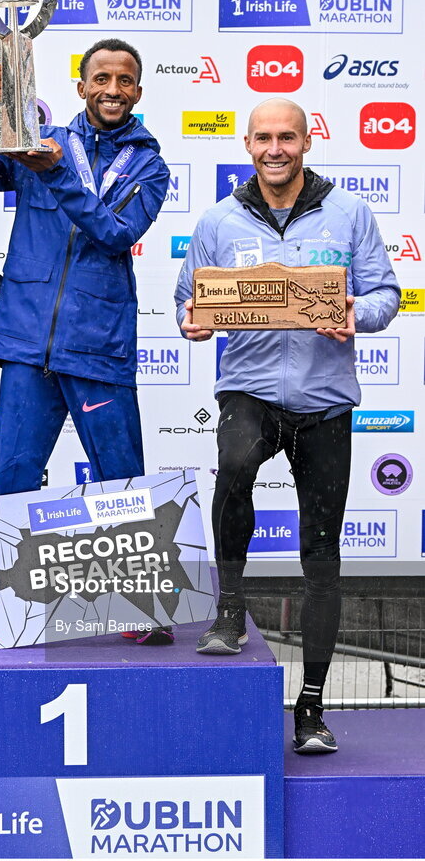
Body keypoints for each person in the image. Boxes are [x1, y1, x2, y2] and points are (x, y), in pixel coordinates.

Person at [175, 98, 400, 752]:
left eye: (287, 137)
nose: (275, 148)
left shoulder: (349, 212)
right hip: (248, 392)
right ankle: (228, 608)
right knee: (236, 465)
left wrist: (357, 314)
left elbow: (384, 292)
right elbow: (188, 299)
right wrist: (192, 321)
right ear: (246, 144)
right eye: (263, 138)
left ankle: (310, 710)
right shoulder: (217, 219)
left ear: (305, 142)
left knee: (321, 558)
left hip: (324, 401)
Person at [0, 38, 171, 646]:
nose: (112, 89)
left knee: (120, 477)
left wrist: (59, 174)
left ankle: (141, 605)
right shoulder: (39, 137)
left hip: (98, 342)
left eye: (124, 81)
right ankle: (8, 605)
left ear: (138, 92)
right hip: (26, 338)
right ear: (81, 86)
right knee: (17, 473)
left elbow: (113, 231)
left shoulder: (149, 165)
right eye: (101, 77)